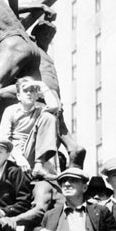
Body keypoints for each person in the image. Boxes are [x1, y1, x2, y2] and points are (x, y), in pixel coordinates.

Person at [31, 19, 86, 169]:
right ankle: (71, 146)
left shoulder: (47, 56)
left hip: (52, 96)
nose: (48, 39)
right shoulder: (31, 48)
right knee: (54, 125)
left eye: (50, 36)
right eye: (46, 35)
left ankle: (71, 148)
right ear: (35, 36)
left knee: (56, 124)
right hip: (42, 93)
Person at [0, 76, 60, 178]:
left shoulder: (40, 109)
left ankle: (39, 166)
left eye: (32, 91)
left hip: (35, 152)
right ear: (18, 96)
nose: (29, 93)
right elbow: (3, 139)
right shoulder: (11, 110)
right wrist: (19, 157)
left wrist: (42, 85)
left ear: (37, 95)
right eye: (25, 91)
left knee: (49, 117)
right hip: (14, 152)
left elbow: (55, 107)